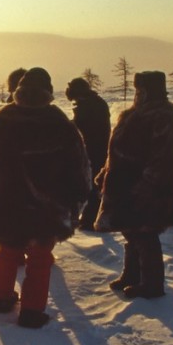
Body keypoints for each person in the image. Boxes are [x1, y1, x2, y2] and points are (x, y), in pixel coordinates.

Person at [0, 67, 92, 328]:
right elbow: (79, 166)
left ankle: (0, 298)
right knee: (40, 257)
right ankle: (31, 311)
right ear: (48, 93)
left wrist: (2, 177)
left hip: (6, 200)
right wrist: (76, 198)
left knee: (7, 250)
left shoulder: (1, 119)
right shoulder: (60, 123)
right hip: (47, 204)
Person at [94, 71, 173, 299]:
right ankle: (132, 274)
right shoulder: (135, 114)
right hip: (124, 184)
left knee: (145, 234)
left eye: (142, 90)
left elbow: (166, 157)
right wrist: (105, 174)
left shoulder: (165, 117)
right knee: (131, 230)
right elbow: (116, 151)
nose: (138, 94)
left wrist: (148, 185)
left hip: (148, 187)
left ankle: (152, 284)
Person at [65, 77, 111, 230]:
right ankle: (89, 218)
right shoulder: (93, 103)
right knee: (90, 185)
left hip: (95, 150)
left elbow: (80, 125)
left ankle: (90, 220)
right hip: (92, 149)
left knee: (92, 186)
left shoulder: (90, 106)